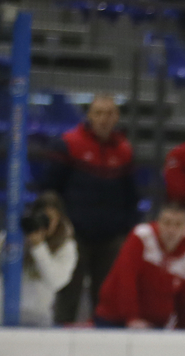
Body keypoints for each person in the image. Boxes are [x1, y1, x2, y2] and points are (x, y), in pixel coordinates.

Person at [40, 94, 140, 324]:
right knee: (68, 292)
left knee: (106, 298)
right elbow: (51, 189)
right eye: (99, 113)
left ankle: (102, 339)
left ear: (117, 117)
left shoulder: (124, 150)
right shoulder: (69, 144)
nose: (104, 119)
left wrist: (125, 230)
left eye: (109, 113)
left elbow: (131, 196)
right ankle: (60, 335)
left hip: (110, 238)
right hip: (74, 235)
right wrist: (59, 226)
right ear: (89, 116)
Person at [93, 202, 185, 329]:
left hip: (155, 325)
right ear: (158, 223)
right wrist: (132, 317)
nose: (171, 230)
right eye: (167, 223)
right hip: (113, 318)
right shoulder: (142, 237)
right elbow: (126, 278)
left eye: (178, 224)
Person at [0, 193, 78, 326]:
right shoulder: (15, 237)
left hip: (39, 318)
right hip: (5, 315)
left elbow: (57, 281)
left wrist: (38, 247)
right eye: (42, 218)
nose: (45, 224)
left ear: (59, 219)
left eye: (50, 219)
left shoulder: (66, 246)